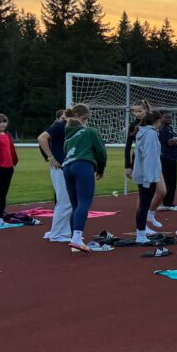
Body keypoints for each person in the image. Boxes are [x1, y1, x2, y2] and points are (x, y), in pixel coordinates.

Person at [61, 104, 108, 253]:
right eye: (85, 118)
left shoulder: (67, 139)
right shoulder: (90, 131)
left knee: (75, 205)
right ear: (82, 118)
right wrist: (100, 169)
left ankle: (74, 239)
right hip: (83, 165)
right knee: (84, 203)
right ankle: (76, 238)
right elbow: (101, 152)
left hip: (67, 168)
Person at [125, 100, 166, 226]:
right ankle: (142, 225)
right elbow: (127, 146)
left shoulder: (154, 124)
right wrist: (127, 166)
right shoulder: (134, 125)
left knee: (162, 191)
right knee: (143, 195)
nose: (137, 113)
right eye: (135, 111)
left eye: (140, 111)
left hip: (153, 162)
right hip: (141, 162)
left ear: (147, 111)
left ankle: (150, 214)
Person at [38, 109, 72, 243]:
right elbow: (41, 138)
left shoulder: (69, 128)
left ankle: (61, 231)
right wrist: (50, 157)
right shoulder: (60, 126)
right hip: (60, 168)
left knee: (66, 201)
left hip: (66, 167)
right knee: (64, 201)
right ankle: (57, 233)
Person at [131, 110, 163, 244]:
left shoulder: (143, 132)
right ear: (157, 121)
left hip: (143, 173)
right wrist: (149, 178)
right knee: (144, 204)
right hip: (146, 175)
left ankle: (141, 233)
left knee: (143, 204)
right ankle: (141, 235)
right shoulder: (150, 134)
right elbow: (149, 156)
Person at [157, 110, 177, 208]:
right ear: (161, 118)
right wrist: (176, 141)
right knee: (167, 180)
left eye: (170, 117)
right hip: (165, 157)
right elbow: (170, 142)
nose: (169, 119)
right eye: (166, 117)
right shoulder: (162, 129)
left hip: (173, 157)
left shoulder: (170, 128)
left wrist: (176, 141)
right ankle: (165, 201)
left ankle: (170, 202)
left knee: (173, 180)